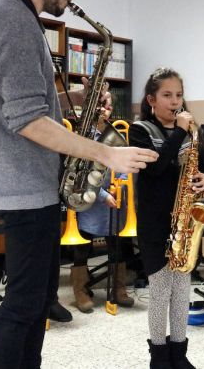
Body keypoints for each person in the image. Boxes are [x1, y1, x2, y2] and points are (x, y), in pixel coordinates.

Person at [0, 0, 158, 367]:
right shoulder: (15, 19)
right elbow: (27, 121)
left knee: (35, 303)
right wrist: (107, 152)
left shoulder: (11, 16)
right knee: (22, 307)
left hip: (29, 184)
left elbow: (16, 105)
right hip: (25, 186)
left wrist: (72, 98)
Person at [128, 67, 204, 369]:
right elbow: (156, 169)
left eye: (179, 95)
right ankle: (158, 356)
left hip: (185, 221)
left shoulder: (191, 130)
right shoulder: (140, 130)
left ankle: (179, 353)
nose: (175, 101)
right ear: (151, 99)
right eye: (167, 95)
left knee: (181, 291)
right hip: (154, 222)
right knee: (161, 290)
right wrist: (178, 131)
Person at [71, 115, 135, 313]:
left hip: (115, 203)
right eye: (103, 106)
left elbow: (126, 166)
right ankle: (80, 291)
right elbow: (80, 174)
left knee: (117, 248)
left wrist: (121, 184)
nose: (106, 111)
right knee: (82, 248)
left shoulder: (119, 134)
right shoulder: (83, 137)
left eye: (109, 106)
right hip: (89, 201)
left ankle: (119, 289)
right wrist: (103, 194)